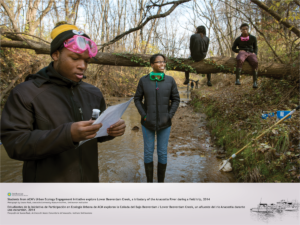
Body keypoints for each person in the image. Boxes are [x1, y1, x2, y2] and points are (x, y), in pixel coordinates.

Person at [0, 22, 126, 182]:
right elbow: (14, 144)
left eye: (87, 61)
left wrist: (111, 130)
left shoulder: (93, 93)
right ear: (55, 54)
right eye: (75, 58)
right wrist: (68, 135)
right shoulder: (26, 92)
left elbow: (97, 134)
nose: (82, 66)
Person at [134, 54, 180, 183]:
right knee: (148, 152)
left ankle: (161, 184)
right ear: (152, 64)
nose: (162, 64)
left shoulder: (170, 80)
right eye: (159, 62)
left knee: (162, 153)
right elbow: (137, 99)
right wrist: (144, 115)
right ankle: (150, 183)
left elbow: (176, 99)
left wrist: (169, 116)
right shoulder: (143, 80)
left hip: (165, 124)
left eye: (164, 61)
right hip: (147, 123)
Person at [232, 23, 258, 88]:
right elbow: (233, 48)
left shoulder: (253, 38)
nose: (245, 30)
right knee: (240, 59)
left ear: (248, 29)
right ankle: (237, 79)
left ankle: (255, 82)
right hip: (242, 52)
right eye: (243, 29)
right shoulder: (238, 39)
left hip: (251, 53)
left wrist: (255, 53)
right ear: (241, 30)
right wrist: (238, 51)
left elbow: (256, 47)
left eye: (246, 29)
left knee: (255, 62)